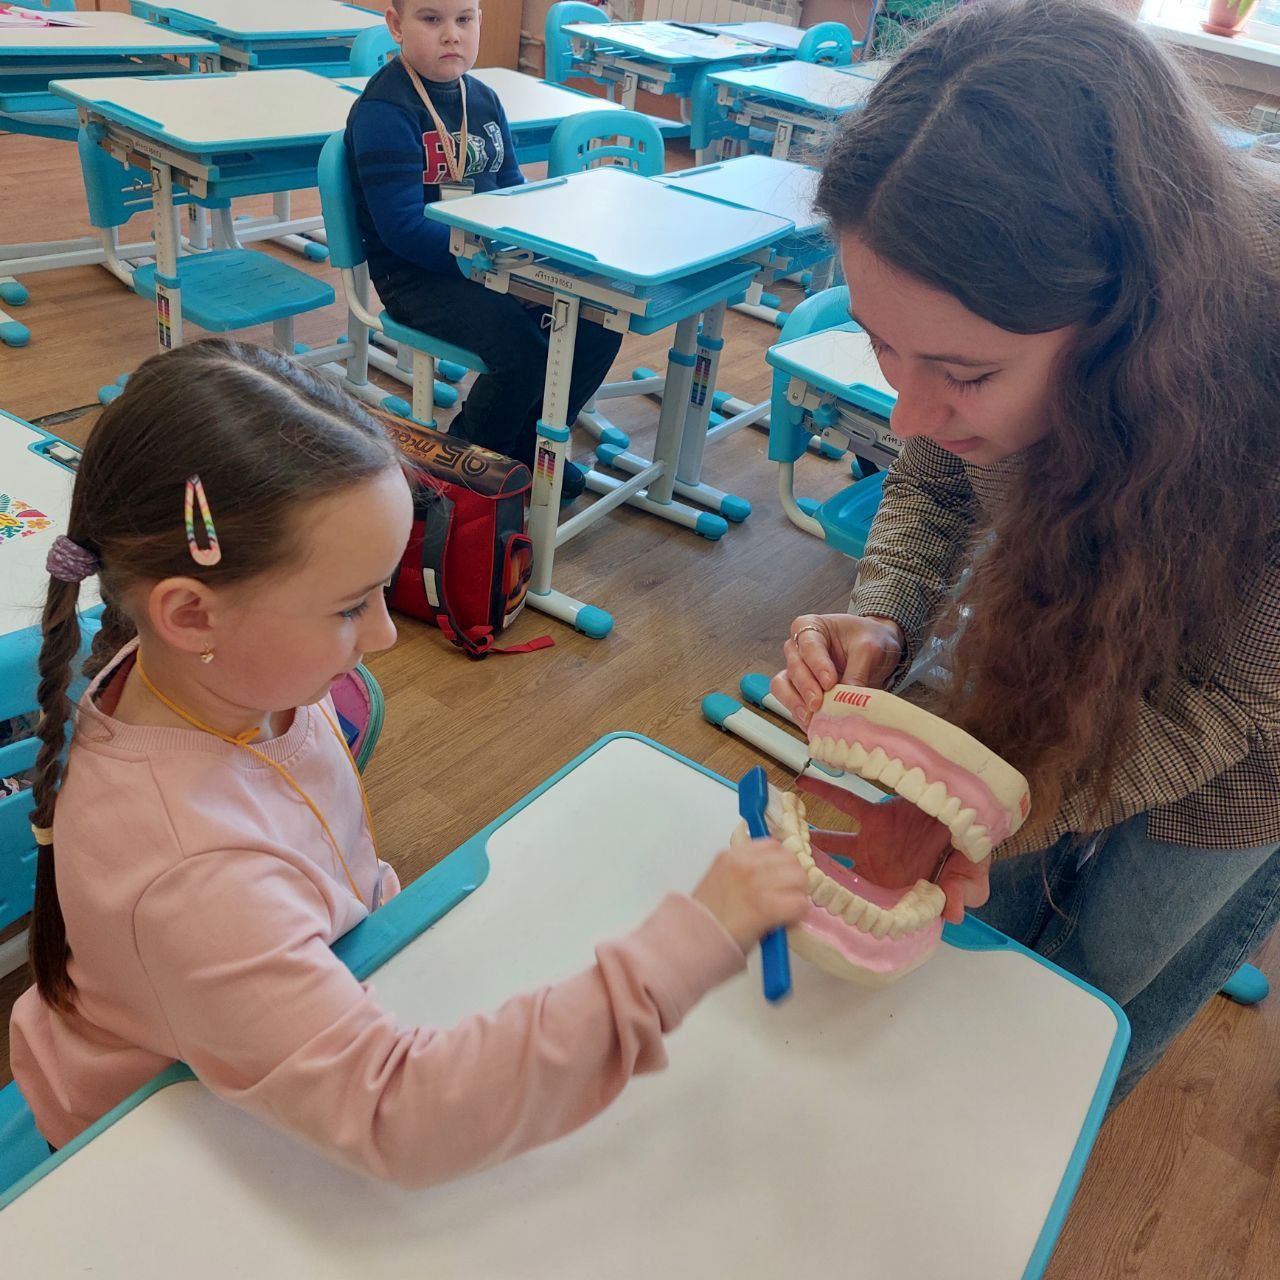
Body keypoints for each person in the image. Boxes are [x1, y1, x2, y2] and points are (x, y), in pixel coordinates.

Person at [9, 339, 809, 1182]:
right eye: (351, 606)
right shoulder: (194, 881)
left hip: (282, 1022)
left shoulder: (221, 676)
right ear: (191, 616)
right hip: (152, 1150)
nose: (386, 636)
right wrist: (684, 951)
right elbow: (402, 1117)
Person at [771, 0, 1280, 1103]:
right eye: (881, 346)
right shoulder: (968, 355)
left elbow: (1231, 702)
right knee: (978, 923)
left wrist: (986, 803)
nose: (908, 412)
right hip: (1050, 646)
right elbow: (931, 479)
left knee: (1102, 985)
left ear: (1128, 328)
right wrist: (889, 612)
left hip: (1247, 746)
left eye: (964, 374)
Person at [345, 0, 624, 501]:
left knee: (600, 325)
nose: (451, 34)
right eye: (432, 19)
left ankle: (530, 445)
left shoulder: (485, 100)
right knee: (522, 353)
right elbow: (403, 229)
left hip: (492, 264)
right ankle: (467, 466)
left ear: (479, 22)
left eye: (464, 19)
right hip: (417, 278)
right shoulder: (384, 111)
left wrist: (536, 254)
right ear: (396, 25)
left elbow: (512, 192)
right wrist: (493, 266)